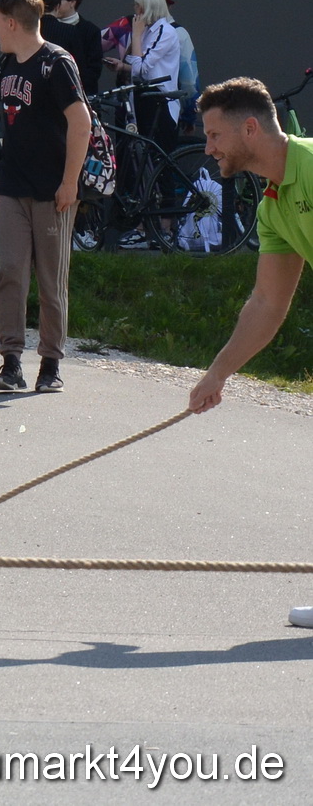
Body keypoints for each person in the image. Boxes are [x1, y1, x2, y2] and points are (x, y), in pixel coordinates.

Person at [185, 78, 313, 626]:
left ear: (251, 128)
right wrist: (217, 374)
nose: (208, 146)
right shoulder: (272, 203)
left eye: (215, 134)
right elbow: (266, 301)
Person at [0, 0, 93, 393]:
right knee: (10, 271)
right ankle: (10, 363)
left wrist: (69, 183)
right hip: (11, 184)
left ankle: (50, 365)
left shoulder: (57, 62)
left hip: (53, 190)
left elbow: (79, 123)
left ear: (12, 23)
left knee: (51, 279)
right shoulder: (5, 62)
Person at [124, 0, 186, 151]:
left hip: (159, 100)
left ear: (146, 7)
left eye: (137, 4)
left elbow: (140, 68)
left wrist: (136, 35)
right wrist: (122, 67)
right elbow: (138, 67)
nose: (134, 8)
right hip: (143, 95)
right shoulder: (147, 29)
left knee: (158, 154)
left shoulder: (164, 31)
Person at [45, 0, 104, 96]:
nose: (56, 5)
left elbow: (94, 68)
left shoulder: (90, 30)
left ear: (72, 2)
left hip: (80, 93)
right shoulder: (46, 26)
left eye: (59, 1)